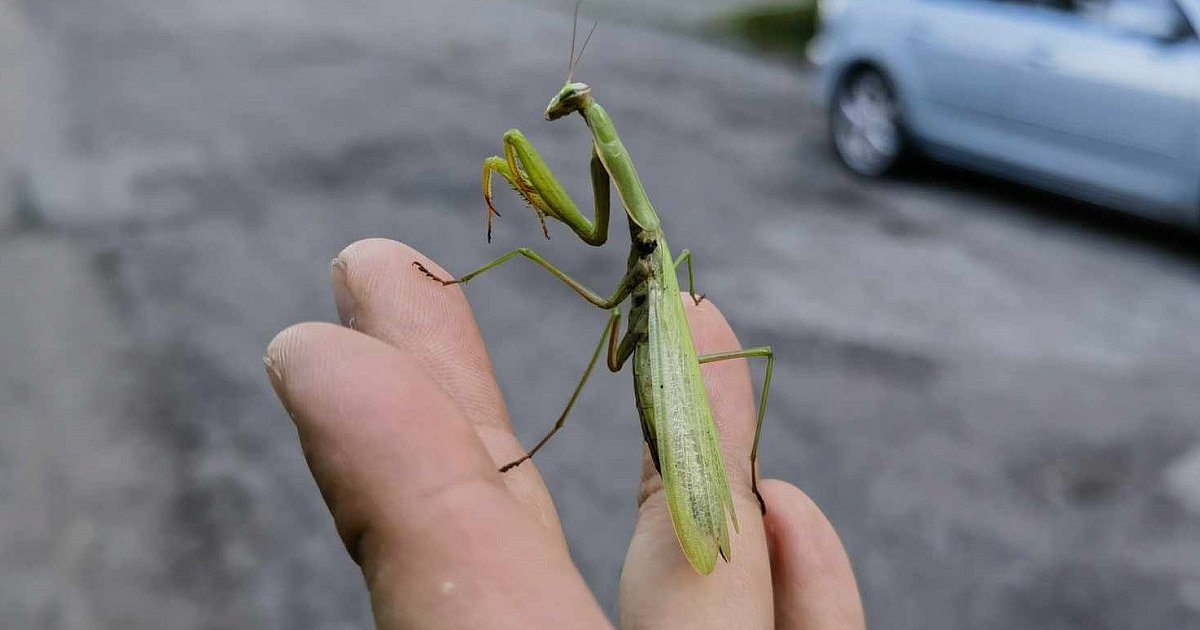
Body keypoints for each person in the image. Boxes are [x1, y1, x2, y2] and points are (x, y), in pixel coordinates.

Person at [264, 238, 865, 629]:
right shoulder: (653, 250)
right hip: (654, 342)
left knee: (534, 257)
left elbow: (611, 331)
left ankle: (561, 434)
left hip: (662, 369)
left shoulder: (650, 253)